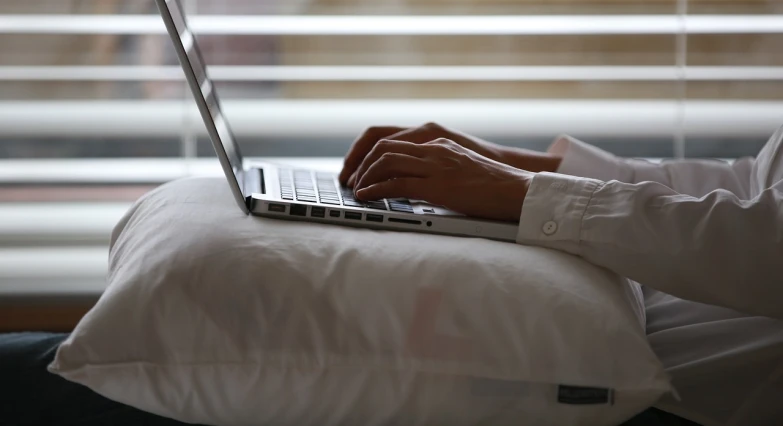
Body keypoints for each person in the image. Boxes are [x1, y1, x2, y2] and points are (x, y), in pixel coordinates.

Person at [2, 124, 781, 426]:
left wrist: (522, 198)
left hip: (661, 390)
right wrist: (507, 167)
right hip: (631, 309)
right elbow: (753, 184)